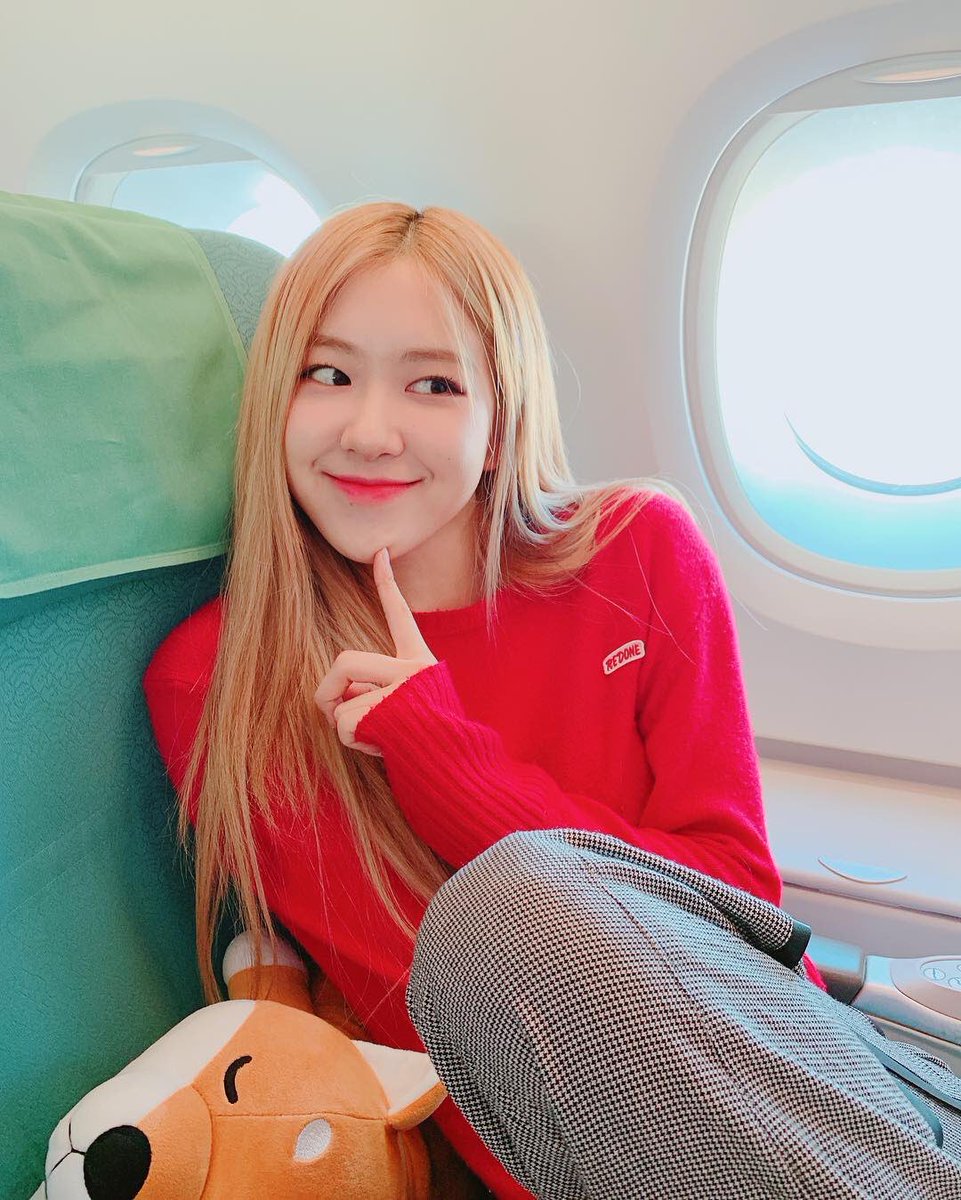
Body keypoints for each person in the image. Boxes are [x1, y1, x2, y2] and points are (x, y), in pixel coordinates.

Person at [143, 202, 961, 1199]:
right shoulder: (221, 677)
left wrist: (443, 756)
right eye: (328, 374)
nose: (369, 431)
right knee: (499, 919)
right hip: (596, 1143)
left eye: (434, 384)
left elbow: (740, 909)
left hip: (803, 1063)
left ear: (499, 426)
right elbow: (440, 1008)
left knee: (514, 897)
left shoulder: (640, 550)